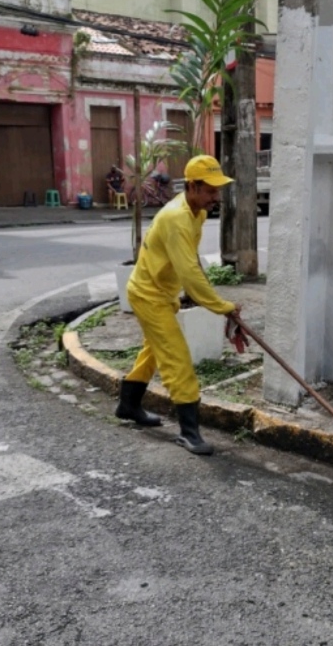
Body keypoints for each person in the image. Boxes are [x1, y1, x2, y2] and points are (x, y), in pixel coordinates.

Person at [118, 155, 241, 455]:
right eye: (211, 190)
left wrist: (211, 299)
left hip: (161, 292)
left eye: (217, 190)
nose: (216, 197)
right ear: (192, 186)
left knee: (155, 351)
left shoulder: (194, 213)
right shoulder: (177, 218)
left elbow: (189, 264)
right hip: (149, 295)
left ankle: (128, 405)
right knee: (177, 358)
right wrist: (223, 306)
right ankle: (189, 432)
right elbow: (190, 275)